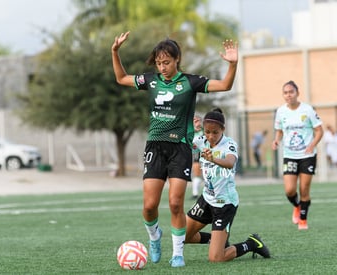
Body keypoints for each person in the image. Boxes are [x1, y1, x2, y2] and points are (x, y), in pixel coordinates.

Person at [111, 31, 238, 267]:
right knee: (149, 206)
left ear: (176, 59)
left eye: (166, 62)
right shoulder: (150, 81)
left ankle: (178, 253)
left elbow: (225, 85)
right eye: (159, 63)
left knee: (176, 203)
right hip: (155, 146)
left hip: (180, 147)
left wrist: (232, 64)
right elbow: (121, 78)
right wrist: (115, 51)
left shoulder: (190, 82)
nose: (162, 67)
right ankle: (155, 237)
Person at [185, 108, 270, 262]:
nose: (210, 136)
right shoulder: (201, 140)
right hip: (206, 200)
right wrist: (190, 128)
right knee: (181, 236)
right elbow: (180, 141)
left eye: (215, 132)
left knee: (216, 258)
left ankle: (251, 244)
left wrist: (213, 159)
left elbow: (230, 163)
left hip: (224, 204)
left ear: (223, 129)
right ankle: (217, 239)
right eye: (207, 132)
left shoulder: (229, 144)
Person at [271, 80, 324, 230]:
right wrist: (276, 140)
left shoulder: (307, 110)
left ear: (297, 93)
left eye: (291, 92)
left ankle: (303, 219)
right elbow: (279, 130)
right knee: (289, 190)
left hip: (307, 156)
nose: (288, 95)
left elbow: (320, 131)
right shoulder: (281, 111)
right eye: (285, 92)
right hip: (290, 155)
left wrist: (312, 145)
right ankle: (297, 205)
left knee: (304, 189)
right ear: (283, 95)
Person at [191, 114, 204, 199]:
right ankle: (195, 194)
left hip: (204, 154)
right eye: (195, 121)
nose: (197, 123)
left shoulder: (204, 131)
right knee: (197, 174)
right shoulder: (189, 132)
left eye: (198, 120)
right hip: (195, 155)